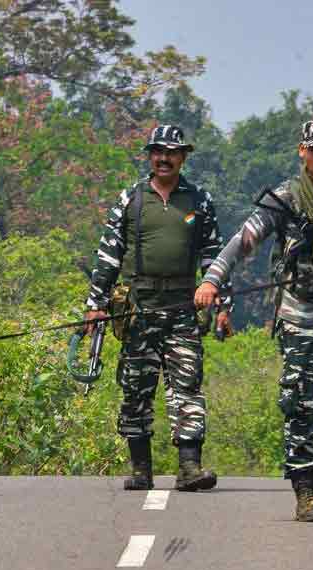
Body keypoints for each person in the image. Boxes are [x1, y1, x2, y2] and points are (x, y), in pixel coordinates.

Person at [195, 119, 313, 522]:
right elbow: (242, 242)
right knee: (300, 403)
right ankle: (305, 491)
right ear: (302, 151)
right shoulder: (286, 198)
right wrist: (213, 279)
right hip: (300, 317)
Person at [84, 124, 232, 492]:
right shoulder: (130, 199)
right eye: (157, 152)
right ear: (150, 156)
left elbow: (215, 256)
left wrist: (222, 303)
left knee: (187, 387)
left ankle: (189, 468)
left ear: (183, 157)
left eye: (171, 152)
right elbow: (108, 256)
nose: (163, 158)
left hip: (183, 309)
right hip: (140, 309)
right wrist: (95, 305)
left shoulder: (199, 201)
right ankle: (140, 469)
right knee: (135, 388)